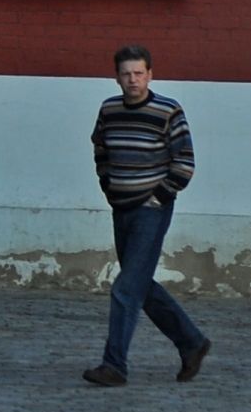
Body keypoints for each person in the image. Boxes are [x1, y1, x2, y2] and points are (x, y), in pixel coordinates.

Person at [82, 44, 210, 387]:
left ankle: (114, 365)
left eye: (139, 73)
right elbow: (100, 149)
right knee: (139, 284)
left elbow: (185, 162)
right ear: (116, 77)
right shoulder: (109, 109)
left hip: (151, 210)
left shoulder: (168, 110)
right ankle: (192, 342)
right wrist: (108, 184)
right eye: (126, 74)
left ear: (150, 74)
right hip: (120, 207)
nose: (132, 80)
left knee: (125, 287)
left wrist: (159, 197)